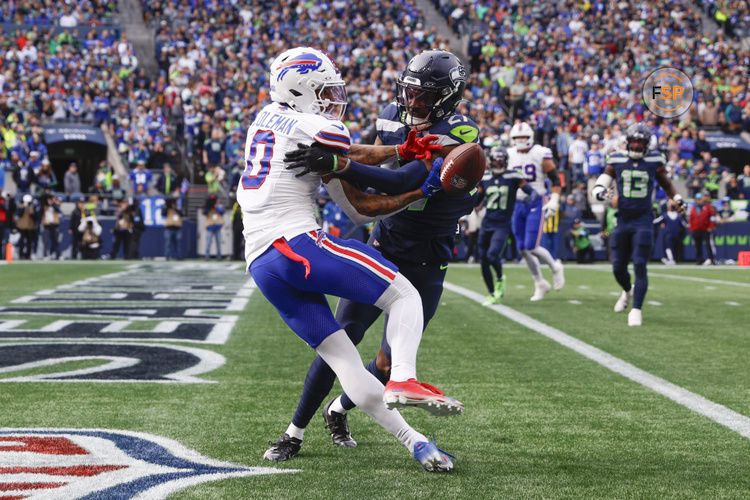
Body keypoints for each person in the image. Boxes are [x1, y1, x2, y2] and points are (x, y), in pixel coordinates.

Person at [246, 47, 463, 472]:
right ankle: (404, 377)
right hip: (295, 245)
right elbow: (361, 188)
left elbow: (357, 182)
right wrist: (415, 178)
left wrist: (386, 155)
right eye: (325, 90)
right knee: (404, 296)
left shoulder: (266, 117)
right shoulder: (317, 125)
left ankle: (417, 443)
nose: (332, 99)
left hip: (261, 262)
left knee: (346, 364)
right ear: (301, 88)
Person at [592, 123, 685, 327]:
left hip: (644, 219)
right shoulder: (616, 158)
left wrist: (677, 198)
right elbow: (603, 180)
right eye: (632, 142)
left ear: (646, 145)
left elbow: (666, 184)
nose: (635, 146)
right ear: (627, 142)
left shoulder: (654, 160)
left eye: (639, 143)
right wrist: (599, 191)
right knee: (618, 267)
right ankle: (627, 291)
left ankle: (636, 309)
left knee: (640, 264)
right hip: (622, 219)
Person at [507, 121, 565, 301]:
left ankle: (555, 267)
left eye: (524, 137)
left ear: (530, 137)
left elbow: (556, 181)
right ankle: (539, 282)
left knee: (531, 245)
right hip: (517, 203)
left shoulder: (540, 153)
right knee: (522, 249)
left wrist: (553, 200)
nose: (521, 140)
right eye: (518, 137)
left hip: (536, 201)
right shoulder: (508, 155)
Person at [476, 146, 539, 305]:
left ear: (506, 160)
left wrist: (529, 198)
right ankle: (491, 292)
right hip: (487, 222)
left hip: (502, 224)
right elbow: (478, 199)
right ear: (490, 161)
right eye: (495, 160)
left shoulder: (513, 176)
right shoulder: (485, 177)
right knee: (483, 260)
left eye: (501, 160)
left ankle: (499, 278)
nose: (498, 163)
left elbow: (532, 191)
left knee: (492, 256)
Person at [688, 192, 716, 265]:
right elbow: (691, 219)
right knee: (698, 246)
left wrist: (711, 226)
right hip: (696, 229)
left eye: (699, 199)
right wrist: (691, 228)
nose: (698, 201)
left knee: (708, 245)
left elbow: (712, 217)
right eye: (697, 199)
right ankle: (699, 260)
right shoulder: (694, 208)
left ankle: (712, 259)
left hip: (705, 229)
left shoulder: (708, 207)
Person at [657, 199, 687, 265]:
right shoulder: (678, 216)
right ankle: (672, 259)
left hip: (668, 233)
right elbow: (684, 224)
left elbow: (656, 221)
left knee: (668, 247)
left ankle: (671, 259)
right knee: (674, 247)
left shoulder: (665, 215)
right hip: (676, 234)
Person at [203, 194, 224, 259]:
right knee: (208, 242)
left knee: (219, 242)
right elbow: (204, 212)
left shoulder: (220, 206)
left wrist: (216, 206)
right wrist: (209, 205)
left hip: (218, 226)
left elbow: (221, 212)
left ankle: (219, 255)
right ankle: (207, 255)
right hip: (210, 226)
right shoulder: (208, 206)